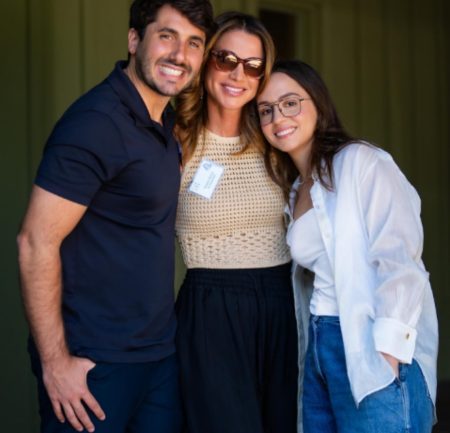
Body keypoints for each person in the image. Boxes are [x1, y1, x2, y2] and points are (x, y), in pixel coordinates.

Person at [16, 1, 214, 432]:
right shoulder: (96, 123)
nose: (180, 55)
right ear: (134, 39)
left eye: (194, 43)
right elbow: (35, 242)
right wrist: (56, 362)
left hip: (158, 357)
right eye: (167, 36)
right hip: (94, 362)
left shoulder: (166, 122)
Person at [256, 59, 439, 433]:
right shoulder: (297, 189)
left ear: (318, 103)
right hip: (320, 345)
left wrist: (386, 353)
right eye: (266, 110)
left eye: (290, 103)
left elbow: (400, 257)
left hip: (369, 344)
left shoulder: (361, 161)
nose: (278, 117)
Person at [174, 11, 299, 433]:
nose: (237, 75)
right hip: (211, 310)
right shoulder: (174, 142)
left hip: (283, 304)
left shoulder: (276, 139)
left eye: (253, 66)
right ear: (206, 60)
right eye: (225, 59)